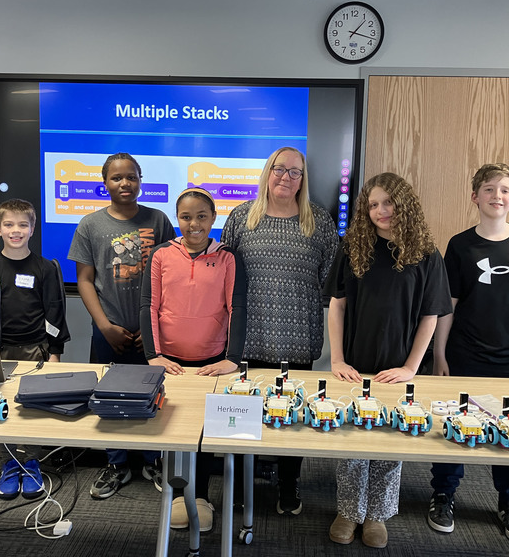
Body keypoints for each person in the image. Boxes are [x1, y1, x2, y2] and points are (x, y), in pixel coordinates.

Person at [428, 162, 509, 546]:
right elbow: (447, 303)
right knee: (455, 426)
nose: (496, 196)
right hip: (467, 352)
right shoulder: (460, 246)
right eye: (488, 189)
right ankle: (444, 495)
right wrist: (440, 354)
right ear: (475, 197)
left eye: (504, 190)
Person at [325, 173, 451, 548]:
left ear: (404, 204)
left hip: (398, 367)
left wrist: (412, 367)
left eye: (389, 202)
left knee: (390, 441)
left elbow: (432, 314)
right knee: (351, 440)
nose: (381, 210)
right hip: (355, 365)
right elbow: (337, 305)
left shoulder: (426, 253)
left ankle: (377, 514)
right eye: (374, 203)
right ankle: (349, 510)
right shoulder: (352, 247)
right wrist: (336, 359)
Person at [221, 146, 338, 515]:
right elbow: (224, 277)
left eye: (295, 172)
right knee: (241, 416)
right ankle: (241, 484)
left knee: (293, 420)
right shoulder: (242, 217)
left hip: (298, 339)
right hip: (246, 340)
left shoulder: (318, 221)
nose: (286, 177)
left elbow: (329, 280)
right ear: (267, 172)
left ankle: (290, 483)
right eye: (280, 169)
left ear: (304, 180)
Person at [68, 152, 175, 500]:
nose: (125, 183)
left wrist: (154, 323)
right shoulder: (90, 225)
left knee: (153, 393)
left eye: (131, 177)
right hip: (109, 329)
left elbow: (168, 277)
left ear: (141, 180)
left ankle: (153, 461)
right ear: (105, 184)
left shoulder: (158, 220)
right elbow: (84, 280)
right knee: (109, 398)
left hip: (152, 332)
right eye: (116, 178)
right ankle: (116, 464)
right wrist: (104, 325)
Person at [140, 187, 246, 532]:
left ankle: (200, 497)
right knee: (171, 431)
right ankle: (176, 494)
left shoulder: (228, 257)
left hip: (211, 363)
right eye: (186, 216)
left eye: (201, 216)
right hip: (169, 361)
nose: (193, 223)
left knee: (203, 435)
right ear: (177, 218)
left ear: (214, 219)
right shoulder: (160, 255)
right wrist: (153, 355)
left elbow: (238, 308)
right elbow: (149, 307)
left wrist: (232, 358)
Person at [0, 198, 71, 501]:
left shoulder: (45, 268)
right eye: (9, 225)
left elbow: (55, 313)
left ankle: (31, 464)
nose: (16, 231)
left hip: (36, 352)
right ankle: (9, 464)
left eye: (23, 225)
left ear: (32, 228)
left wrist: (54, 352)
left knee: (32, 411)